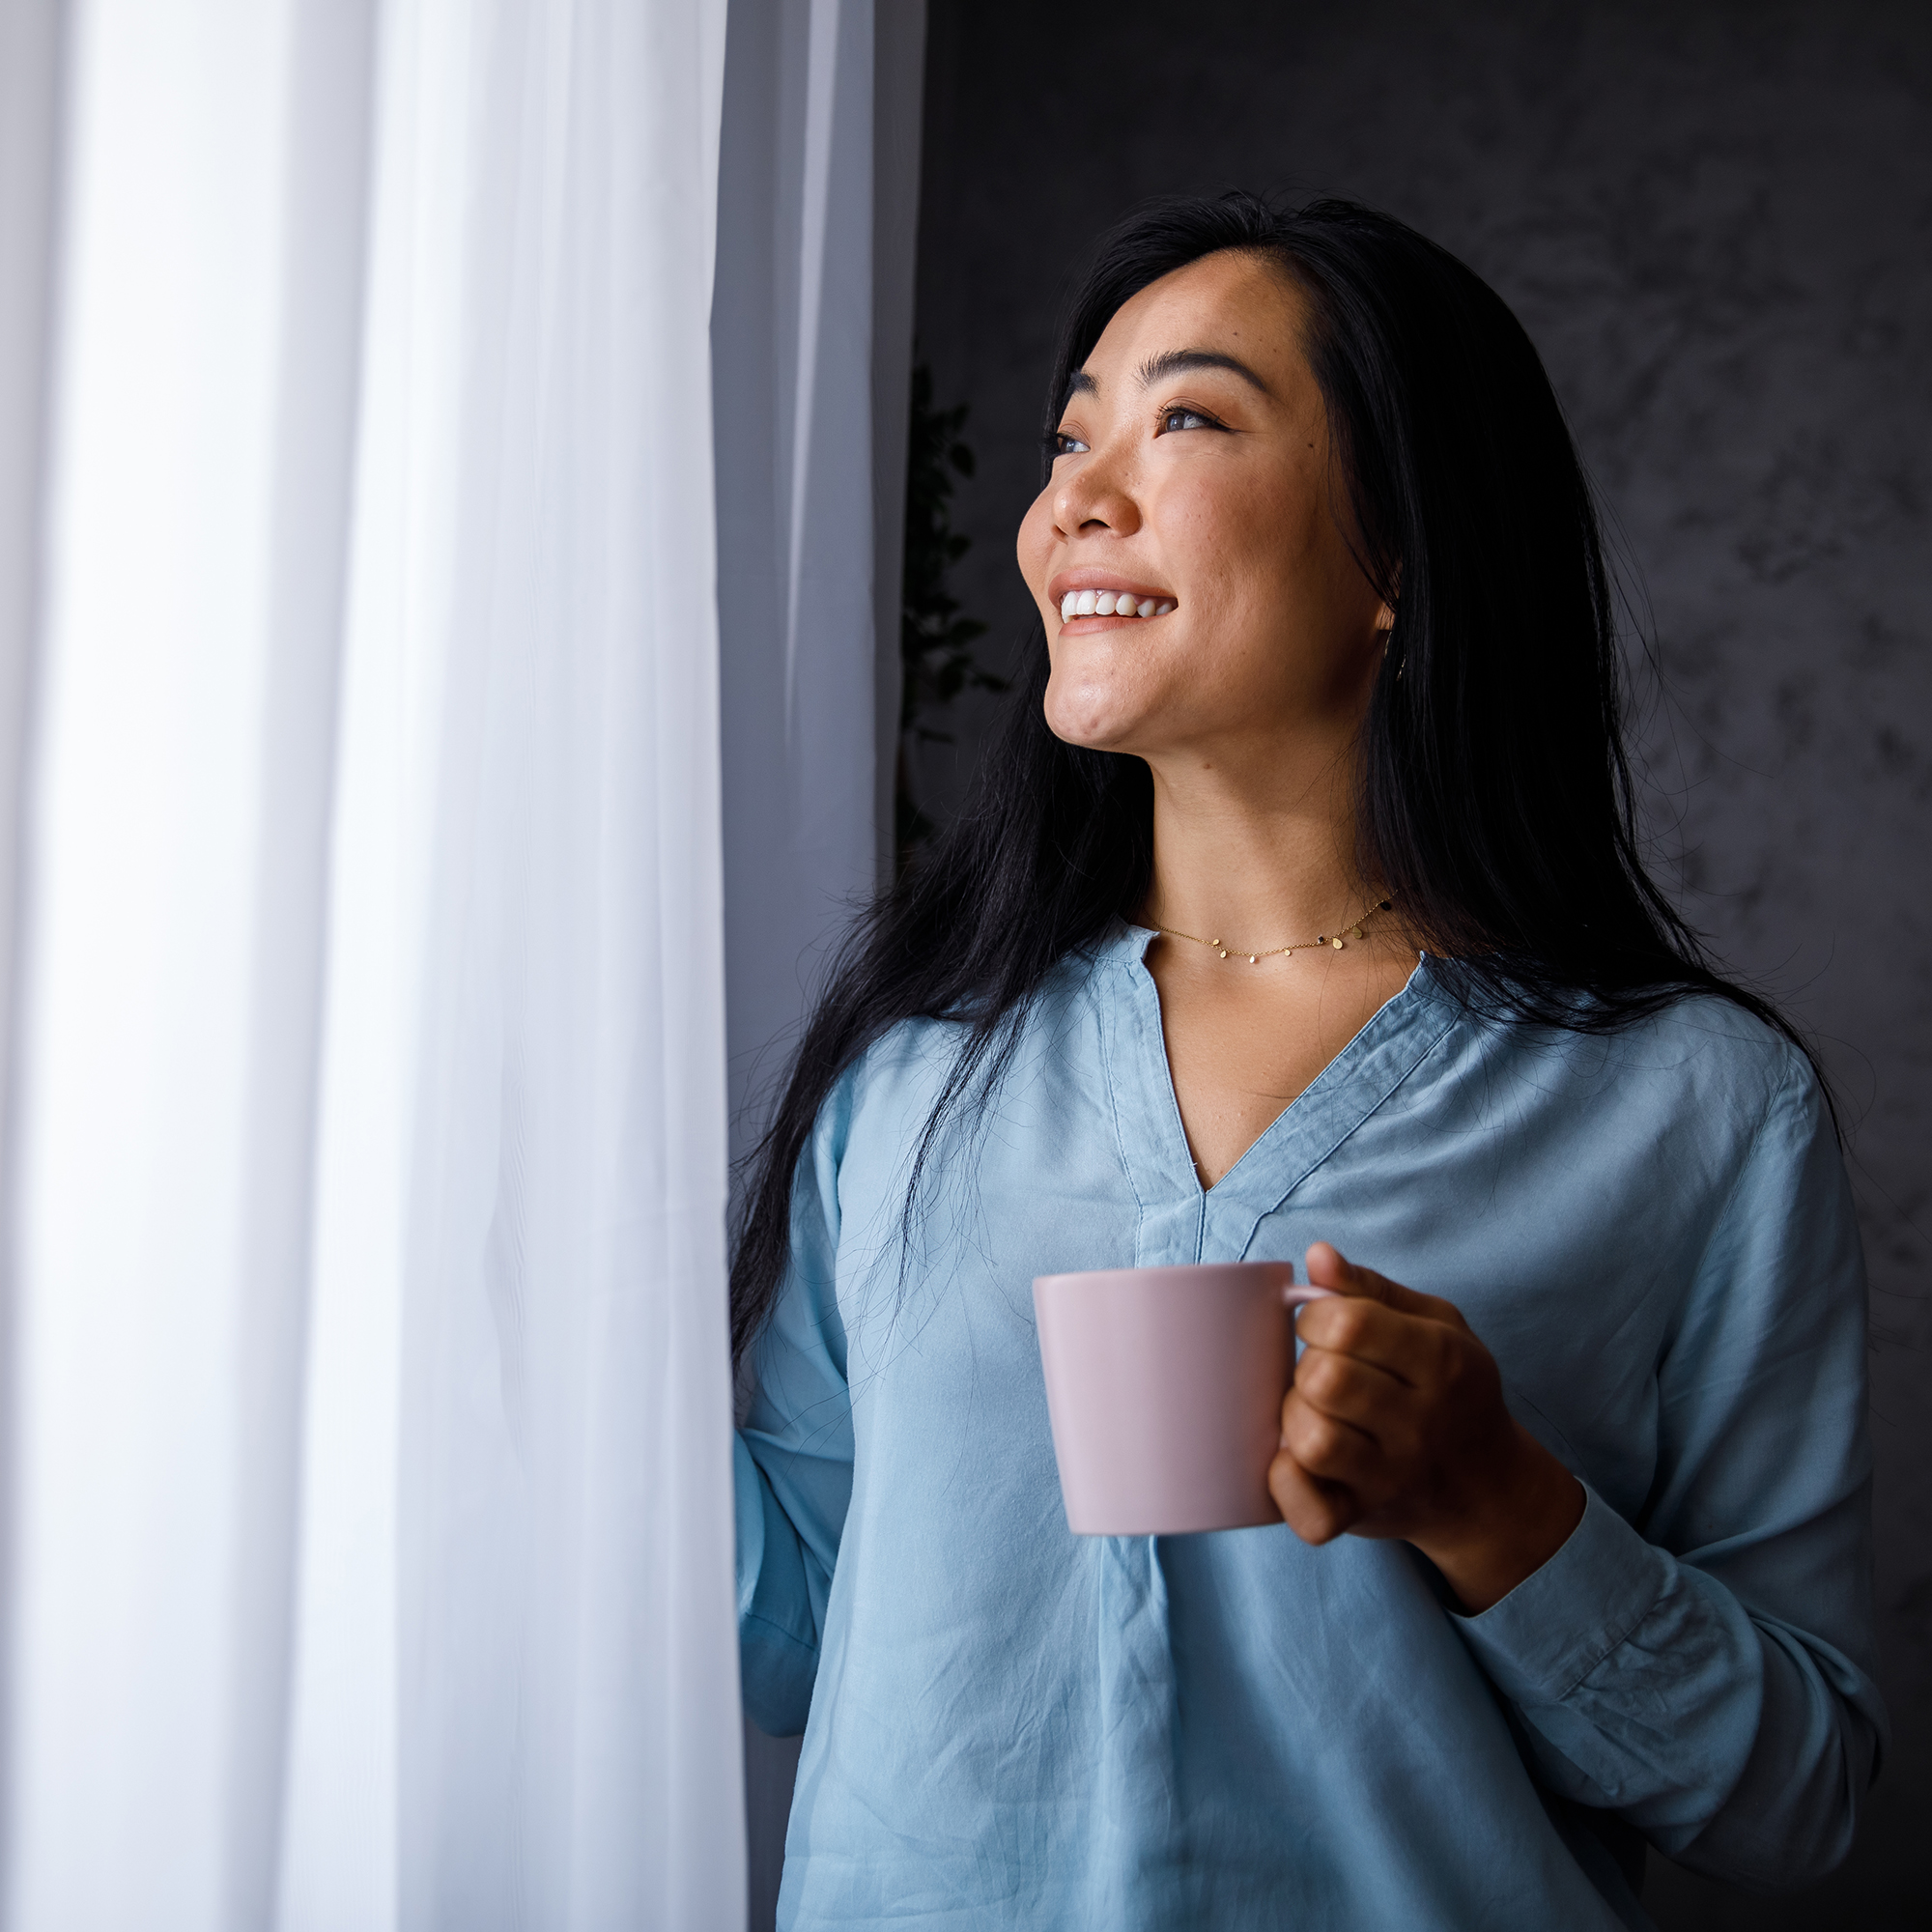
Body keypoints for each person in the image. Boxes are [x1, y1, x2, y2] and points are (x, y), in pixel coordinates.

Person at [729, 192, 1884, 1930]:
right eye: (1071, 433)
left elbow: (1809, 1809)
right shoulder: (912, 1077)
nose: (1072, 506)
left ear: (1397, 557)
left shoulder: (1697, 1111)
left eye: (1185, 417)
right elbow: (806, 1634)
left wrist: (1501, 1510)